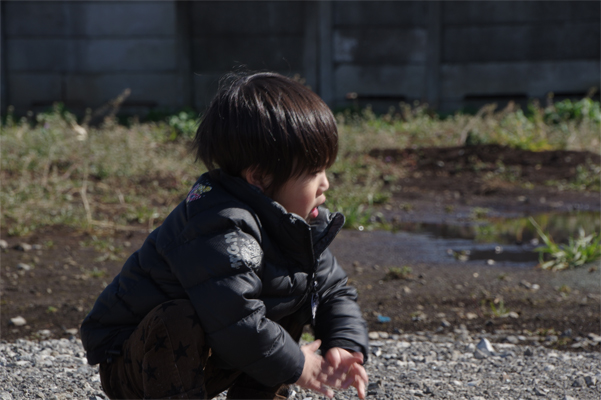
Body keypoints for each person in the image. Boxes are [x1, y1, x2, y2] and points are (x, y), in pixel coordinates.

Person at [80, 71, 369, 399]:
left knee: (294, 292)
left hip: (214, 350)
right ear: (259, 177)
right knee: (180, 317)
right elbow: (238, 319)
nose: (326, 183)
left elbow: (332, 291)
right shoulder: (219, 226)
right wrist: (296, 366)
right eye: (314, 172)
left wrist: (344, 344)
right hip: (138, 363)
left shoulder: (295, 229)